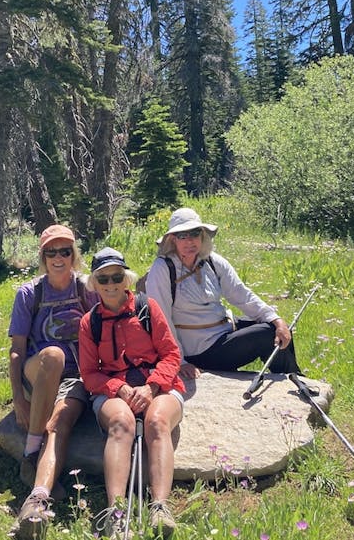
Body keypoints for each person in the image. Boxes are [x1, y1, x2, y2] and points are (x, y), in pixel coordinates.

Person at [78, 247, 184, 540]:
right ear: (94, 284)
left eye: (116, 276)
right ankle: (116, 511)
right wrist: (119, 388)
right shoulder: (90, 322)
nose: (110, 284)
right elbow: (89, 374)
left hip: (158, 384)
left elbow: (172, 355)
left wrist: (151, 387)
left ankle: (160, 507)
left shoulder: (147, 307)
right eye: (103, 279)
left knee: (157, 422)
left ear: (126, 279)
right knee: (121, 423)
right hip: (114, 388)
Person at [8, 224, 98, 539]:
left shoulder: (86, 288)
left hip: (77, 378)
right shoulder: (29, 293)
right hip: (40, 367)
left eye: (64, 251)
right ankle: (32, 450)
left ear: (74, 255)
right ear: (42, 256)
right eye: (51, 252)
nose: (58, 257)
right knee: (53, 355)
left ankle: (36, 501)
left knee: (59, 424)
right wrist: (19, 398)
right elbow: (17, 352)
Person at [145, 207, 301, 380]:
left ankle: (293, 381)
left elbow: (241, 294)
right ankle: (292, 382)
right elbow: (161, 319)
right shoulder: (162, 269)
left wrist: (276, 319)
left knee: (279, 328)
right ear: (173, 239)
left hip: (224, 331)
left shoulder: (211, 261)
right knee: (268, 334)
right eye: (183, 235)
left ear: (202, 235)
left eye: (195, 233)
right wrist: (179, 361)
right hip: (199, 350)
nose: (190, 241)